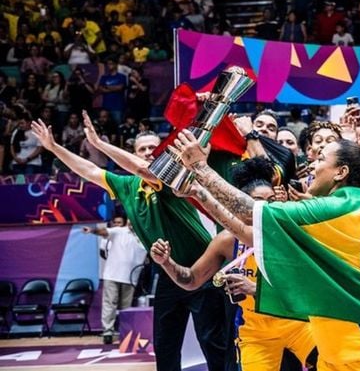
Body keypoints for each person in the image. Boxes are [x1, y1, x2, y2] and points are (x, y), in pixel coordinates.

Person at [175, 131, 360, 370]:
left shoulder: (341, 206)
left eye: (321, 159)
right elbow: (251, 233)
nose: (312, 166)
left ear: (341, 172)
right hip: (337, 348)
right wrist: (199, 192)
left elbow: (249, 212)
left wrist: (201, 168)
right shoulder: (350, 205)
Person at [31, 116, 235, 371]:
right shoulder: (127, 186)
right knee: (166, 346)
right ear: (133, 152)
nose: (149, 153)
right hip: (168, 274)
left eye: (153, 148)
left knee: (214, 345)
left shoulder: (173, 177)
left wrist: (100, 145)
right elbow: (91, 171)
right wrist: (53, 148)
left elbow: (143, 169)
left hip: (204, 270)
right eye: (142, 149)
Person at [150, 157, 317, 370]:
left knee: (328, 362)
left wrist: (256, 289)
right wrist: (166, 262)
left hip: (297, 321)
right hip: (256, 331)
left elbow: (306, 288)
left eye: (271, 200)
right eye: (257, 200)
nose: (265, 206)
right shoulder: (227, 241)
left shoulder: (287, 232)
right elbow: (191, 280)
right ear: (239, 202)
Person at [83, 216, 147, 344]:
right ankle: (108, 331)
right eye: (129, 219)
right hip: (112, 274)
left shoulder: (144, 237)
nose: (131, 222)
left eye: (133, 220)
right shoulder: (119, 231)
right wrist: (92, 230)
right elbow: (104, 232)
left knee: (126, 307)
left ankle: (125, 332)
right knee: (110, 302)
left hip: (131, 277)